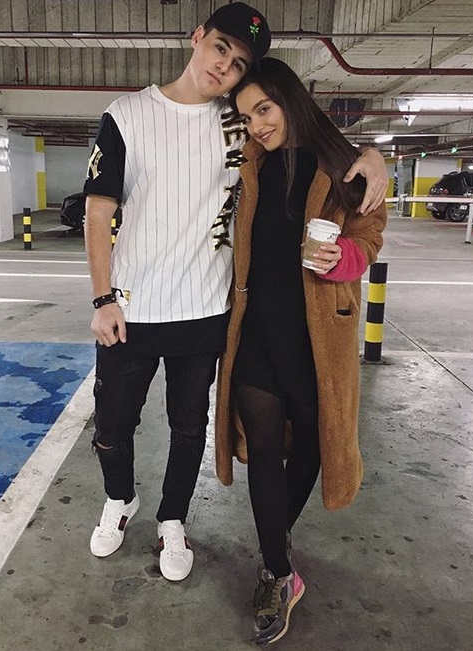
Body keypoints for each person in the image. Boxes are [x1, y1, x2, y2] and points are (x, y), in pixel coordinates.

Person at [83, 3, 388, 583]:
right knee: (113, 427)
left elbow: (310, 136)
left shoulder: (237, 124)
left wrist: (372, 157)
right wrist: (103, 298)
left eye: (240, 62)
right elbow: (98, 214)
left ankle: (173, 518)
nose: (225, 65)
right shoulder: (126, 115)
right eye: (220, 47)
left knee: (187, 427)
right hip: (132, 307)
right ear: (198, 37)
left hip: (206, 310)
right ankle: (119, 499)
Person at [214, 57, 387, 644]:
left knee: (312, 444)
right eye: (247, 117)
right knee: (263, 450)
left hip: (318, 341)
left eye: (264, 109)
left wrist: (345, 260)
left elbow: (370, 233)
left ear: (291, 100)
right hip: (257, 334)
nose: (258, 125)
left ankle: (275, 538)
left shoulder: (344, 166)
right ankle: (277, 570)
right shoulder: (249, 166)